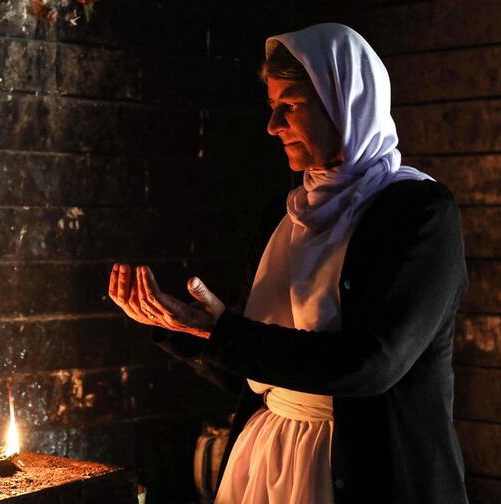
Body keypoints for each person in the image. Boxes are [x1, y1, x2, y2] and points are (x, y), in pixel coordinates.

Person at [108, 23, 469, 504]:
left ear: (346, 102)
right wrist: (183, 328)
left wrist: (219, 331)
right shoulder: (285, 213)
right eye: (271, 107)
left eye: (291, 106)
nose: (273, 126)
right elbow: (254, 371)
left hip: (363, 475)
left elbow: (371, 365)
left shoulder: (417, 212)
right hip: (267, 463)